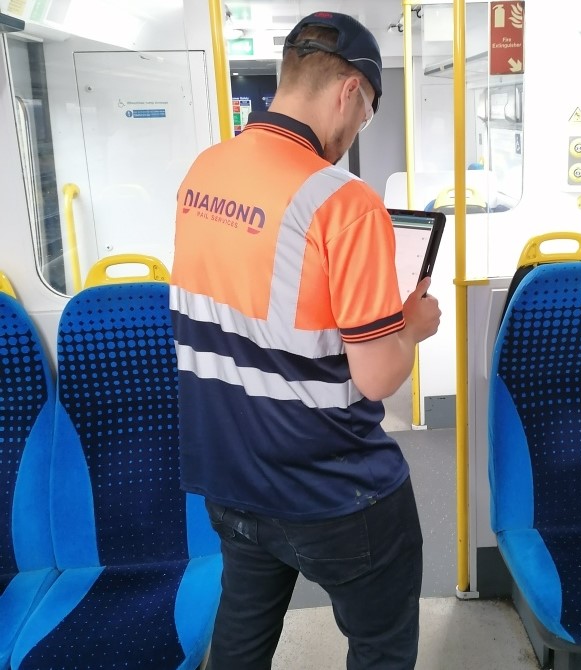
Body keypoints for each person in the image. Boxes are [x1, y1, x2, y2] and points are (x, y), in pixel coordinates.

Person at [170, 11, 441, 670]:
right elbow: (376, 377)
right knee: (379, 646)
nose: (356, 130)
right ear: (349, 90)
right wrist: (410, 326)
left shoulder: (203, 172)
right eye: (368, 112)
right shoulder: (343, 203)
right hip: (332, 492)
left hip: (229, 477)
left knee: (239, 637)